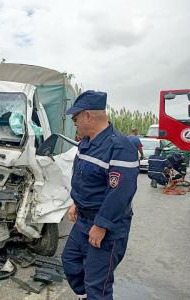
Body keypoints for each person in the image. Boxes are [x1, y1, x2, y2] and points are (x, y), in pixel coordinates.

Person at [61, 90, 139, 300]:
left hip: (107, 225)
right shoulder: (85, 143)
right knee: (70, 262)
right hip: (83, 220)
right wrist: (75, 203)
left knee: (98, 284)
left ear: (88, 115)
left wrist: (102, 225)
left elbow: (121, 192)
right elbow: (85, 180)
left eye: (75, 118)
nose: (74, 122)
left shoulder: (120, 147)